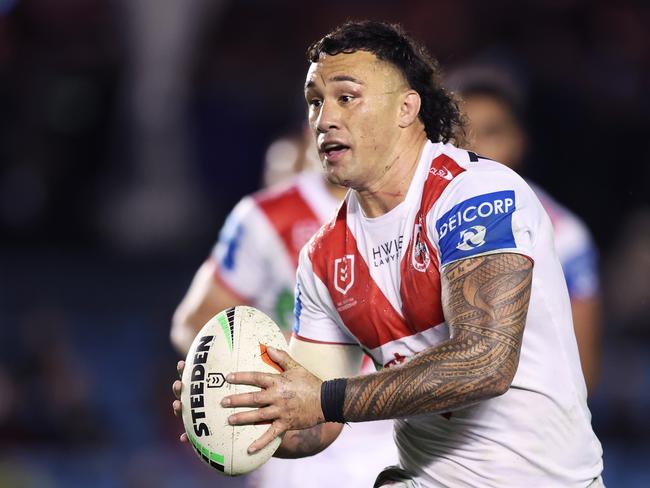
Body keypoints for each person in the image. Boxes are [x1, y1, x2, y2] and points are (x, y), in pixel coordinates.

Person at [173, 21, 604, 486]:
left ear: (406, 107)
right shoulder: (323, 257)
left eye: (347, 97)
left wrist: (322, 399)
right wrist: (248, 412)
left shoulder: (477, 193)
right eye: (315, 101)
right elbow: (315, 426)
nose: (325, 118)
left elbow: (485, 362)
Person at [171, 129, 398, 487]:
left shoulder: (426, 204)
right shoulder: (267, 215)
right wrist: (223, 371)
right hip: (297, 434)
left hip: (403, 425)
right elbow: (193, 319)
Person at [445, 63, 602, 393]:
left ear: (518, 141)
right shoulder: (413, 224)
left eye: (491, 133)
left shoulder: (565, 237)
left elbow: (582, 374)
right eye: (458, 133)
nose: (473, 149)